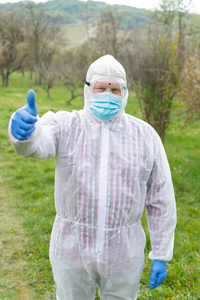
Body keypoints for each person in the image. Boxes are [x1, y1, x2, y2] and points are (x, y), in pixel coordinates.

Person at [8, 54, 176, 300]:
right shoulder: (67, 125)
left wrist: (161, 253)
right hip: (71, 247)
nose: (108, 95)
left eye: (115, 89)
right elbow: (38, 143)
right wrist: (24, 133)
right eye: (101, 87)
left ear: (125, 93)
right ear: (88, 90)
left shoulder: (145, 136)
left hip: (124, 252)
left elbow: (160, 197)